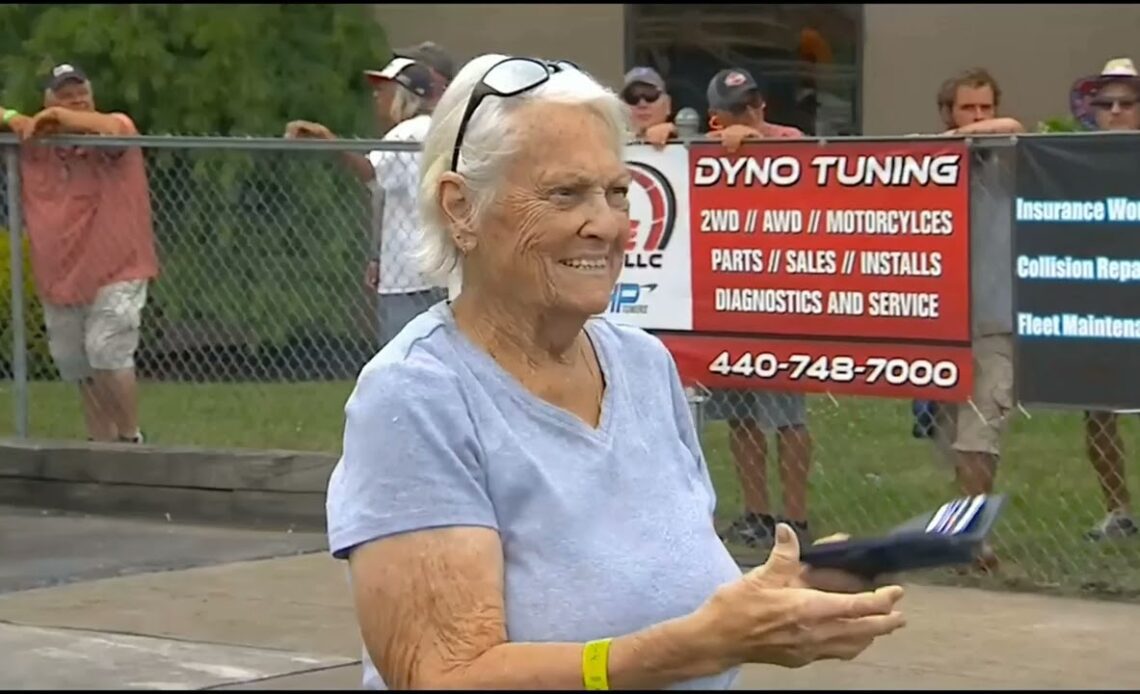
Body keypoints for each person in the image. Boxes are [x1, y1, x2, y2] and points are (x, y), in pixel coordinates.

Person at [325, 52, 906, 690]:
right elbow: (446, 676)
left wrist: (777, 597)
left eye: (617, 192)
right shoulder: (417, 397)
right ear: (461, 208)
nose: (605, 225)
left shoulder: (643, 365)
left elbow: (654, 597)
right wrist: (694, 648)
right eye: (565, 193)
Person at [0, 63, 157, 444]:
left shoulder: (113, 127)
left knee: (106, 349)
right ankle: (100, 448)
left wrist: (60, 117)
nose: (76, 100)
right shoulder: (34, 140)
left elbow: (114, 129)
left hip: (119, 268)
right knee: (78, 365)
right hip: (61, 276)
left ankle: (130, 439)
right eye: (65, 96)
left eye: (81, 93)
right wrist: (13, 118)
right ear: (46, 100)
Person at [695, 67, 815, 551]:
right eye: (736, 110)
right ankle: (757, 514)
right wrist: (660, 133)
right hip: (724, 301)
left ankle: (796, 519)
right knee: (740, 417)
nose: (750, 113)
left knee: (787, 417)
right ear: (715, 117)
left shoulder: (788, 139)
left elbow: (803, 156)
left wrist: (756, 138)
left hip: (779, 301)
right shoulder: (703, 148)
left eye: (753, 104)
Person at [928, 67, 1024, 572]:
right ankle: (959, 530)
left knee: (980, 431)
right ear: (948, 113)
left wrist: (980, 132)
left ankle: (969, 540)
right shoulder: (928, 159)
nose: (982, 118)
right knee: (949, 438)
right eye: (969, 108)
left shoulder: (1011, 157)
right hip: (936, 324)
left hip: (993, 318)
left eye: (986, 107)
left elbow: (1017, 128)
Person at [286, 54, 449, 347]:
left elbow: (370, 171)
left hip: (408, 275)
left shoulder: (405, 133)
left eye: (383, 91)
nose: (377, 98)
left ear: (404, 96)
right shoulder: (440, 131)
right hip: (440, 268)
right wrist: (377, 256)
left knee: (402, 359)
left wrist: (328, 141)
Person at [1068, 57, 1140, 541]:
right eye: (1105, 104)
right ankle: (1118, 510)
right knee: (1098, 414)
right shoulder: (1071, 162)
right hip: (1099, 302)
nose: (1114, 111)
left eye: (1126, 103)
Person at [620, 66, 676, 146]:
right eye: (632, 97)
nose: (642, 104)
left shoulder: (688, 143)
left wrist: (675, 134)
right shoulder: (609, 143)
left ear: (668, 104)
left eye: (650, 95)